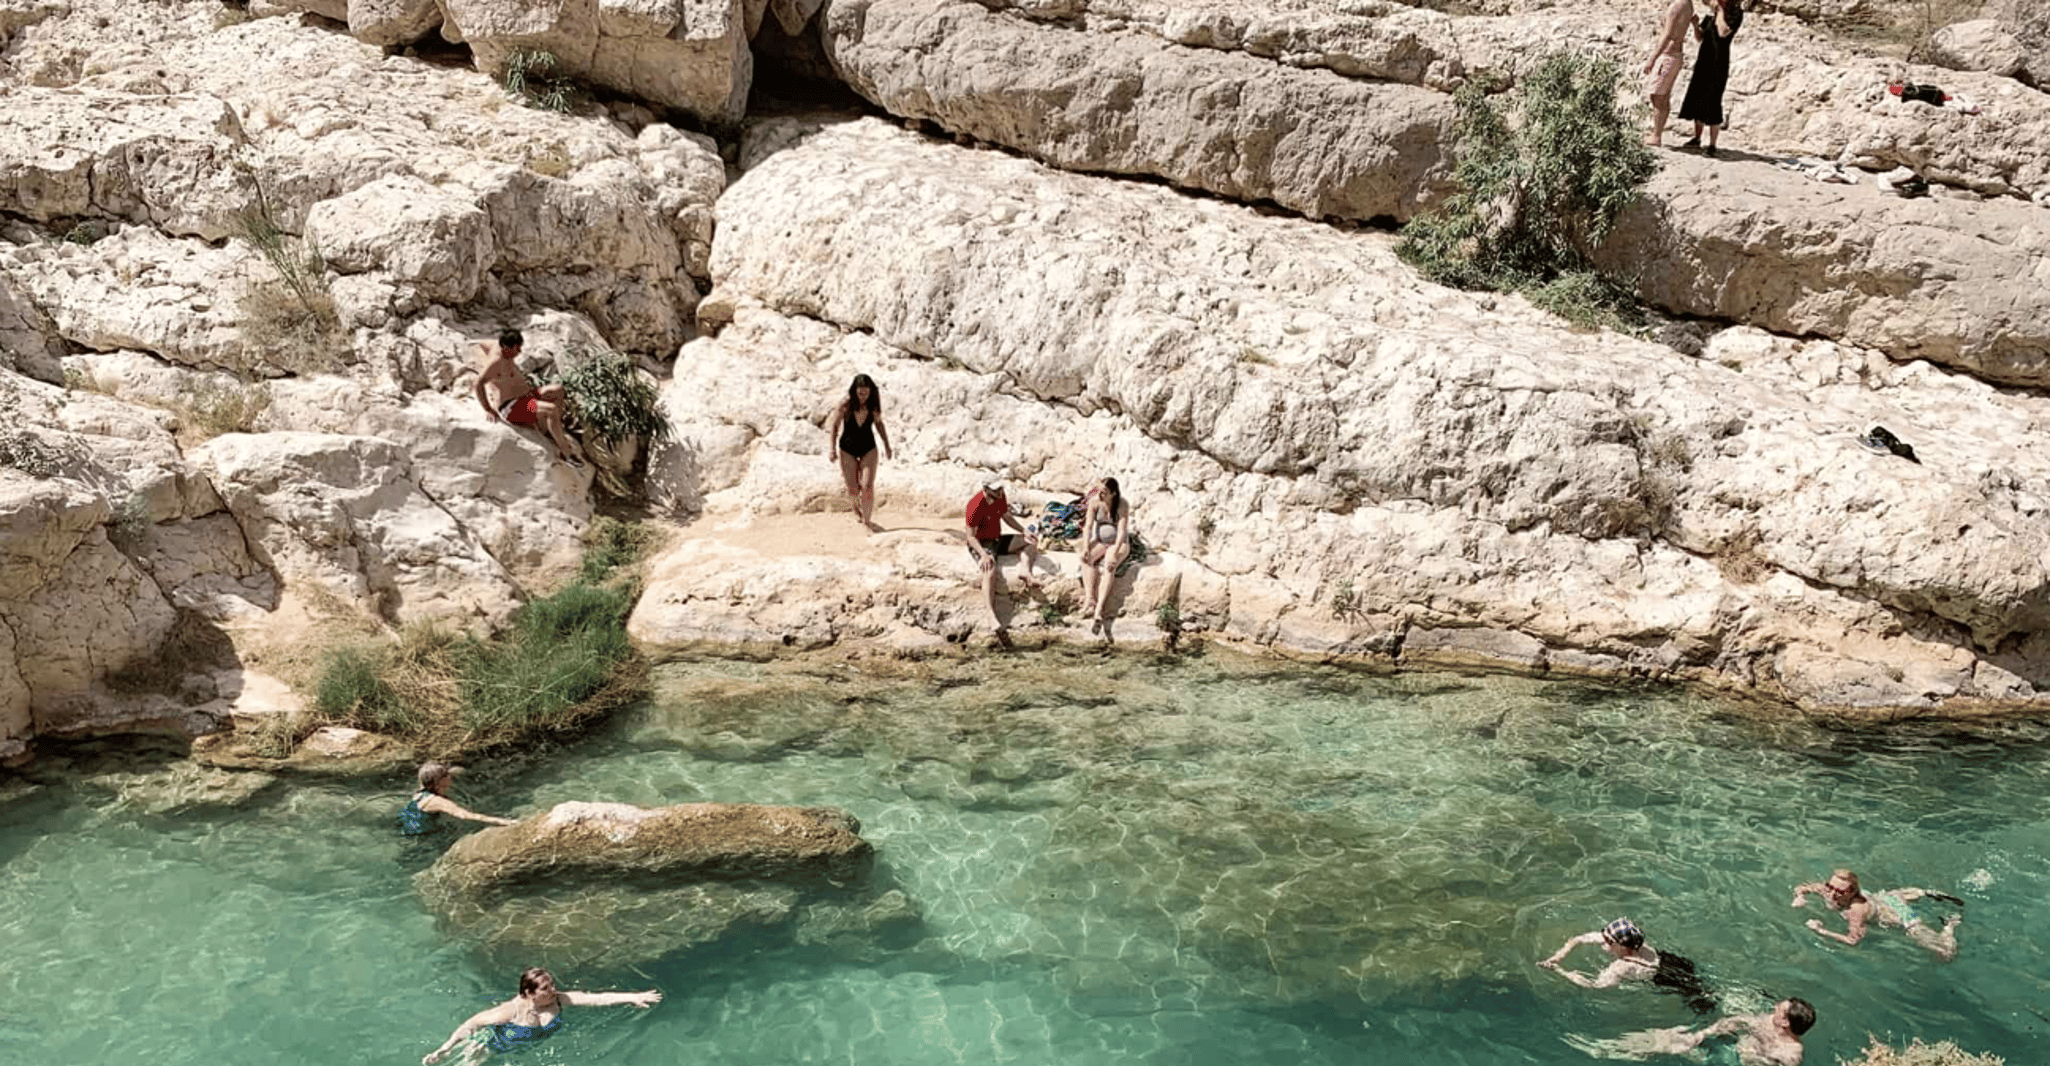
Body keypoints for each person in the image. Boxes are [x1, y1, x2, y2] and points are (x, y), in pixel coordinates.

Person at [422, 966, 661, 1065]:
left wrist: (633, 996)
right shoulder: (510, 1010)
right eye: (546, 989)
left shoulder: (559, 999)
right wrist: (445, 1048)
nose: (553, 990)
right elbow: (472, 1023)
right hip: (495, 1045)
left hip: (526, 1047)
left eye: (553, 985)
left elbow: (596, 998)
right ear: (530, 993)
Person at [1538, 918, 1717, 1013]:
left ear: (1622, 947)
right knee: (1706, 986)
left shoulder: (1621, 967)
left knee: (1703, 1001)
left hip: (1665, 978)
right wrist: (1558, 956)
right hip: (1673, 961)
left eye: (1608, 941)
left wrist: (1561, 972)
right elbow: (1579, 938)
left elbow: (1596, 987)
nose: (1603, 942)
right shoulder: (1634, 943)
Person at [1575, 999, 1815, 1065]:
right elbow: (1738, 1021)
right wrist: (1702, 1034)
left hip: (1733, 1062)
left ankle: (1608, 1052)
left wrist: (1755, 1054)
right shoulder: (1767, 1020)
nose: (1773, 1008)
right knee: (1675, 1040)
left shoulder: (1791, 1053)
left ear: (1785, 1023)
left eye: (1779, 1009)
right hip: (1729, 1046)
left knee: (1679, 1050)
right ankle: (1614, 1049)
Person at [472, 328, 585, 468]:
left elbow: (480, 343)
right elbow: (478, 384)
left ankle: (549, 429)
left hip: (528, 397)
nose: (519, 352)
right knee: (551, 409)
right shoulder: (496, 364)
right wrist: (487, 409)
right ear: (507, 348)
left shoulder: (496, 345)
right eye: (516, 349)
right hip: (514, 406)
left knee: (557, 390)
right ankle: (567, 453)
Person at [1792, 868, 1963, 960]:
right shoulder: (1827, 889)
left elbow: (1853, 940)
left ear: (1852, 892)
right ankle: (1923, 893)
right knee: (1892, 896)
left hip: (1900, 915)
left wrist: (1821, 930)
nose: (1832, 893)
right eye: (1830, 887)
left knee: (1945, 953)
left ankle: (1950, 925)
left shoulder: (1856, 911)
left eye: (1840, 891)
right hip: (1885, 898)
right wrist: (1799, 897)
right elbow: (1802, 887)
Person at [964, 480, 1045, 634]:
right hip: (981, 543)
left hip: (996, 539)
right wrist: (983, 554)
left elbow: (1006, 516)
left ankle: (1025, 571)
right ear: (986, 489)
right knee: (990, 569)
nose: (1000, 491)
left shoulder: (1000, 497)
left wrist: (1023, 531)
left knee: (1030, 542)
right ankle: (990, 613)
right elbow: (970, 537)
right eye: (996, 489)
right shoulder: (975, 505)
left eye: (1000, 488)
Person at [823, 374, 892, 530]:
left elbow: (880, 425)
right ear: (854, 391)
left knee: (867, 485)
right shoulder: (845, 405)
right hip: (847, 449)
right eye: (860, 392)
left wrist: (887, 445)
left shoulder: (873, 405)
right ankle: (855, 507)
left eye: (866, 392)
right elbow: (834, 426)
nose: (863, 395)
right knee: (853, 489)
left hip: (868, 447)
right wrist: (832, 449)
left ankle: (867, 522)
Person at [1674, 0, 1743, 157]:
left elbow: (1723, 32)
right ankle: (1697, 138)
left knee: (1713, 101)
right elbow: (1700, 38)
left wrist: (1720, 11)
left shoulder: (1734, 15)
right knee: (1698, 97)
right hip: (1703, 61)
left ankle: (1712, 145)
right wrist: (1695, 25)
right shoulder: (1711, 17)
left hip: (1718, 64)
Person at [399, 762, 518, 836]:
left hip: (407, 826)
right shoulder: (437, 801)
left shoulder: (421, 791)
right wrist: (504, 822)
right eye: (446, 775)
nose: (450, 775)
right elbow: (465, 815)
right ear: (439, 782)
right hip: (421, 837)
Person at [1077, 476, 1131, 634]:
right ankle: (1090, 599)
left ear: (1113, 493)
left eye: (1104, 492)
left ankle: (1099, 610)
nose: (1100, 495)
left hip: (1118, 543)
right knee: (1086, 560)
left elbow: (1121, 531)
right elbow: (1087, 527)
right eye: (1099, 491)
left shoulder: (1122, 504)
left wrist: (1114, 551)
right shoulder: (1094, 503)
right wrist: (1086, 546)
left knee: (1109, 565)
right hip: (1101, 541)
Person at [1642, 0, 1694, 146]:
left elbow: (1667, 35)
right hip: (1675, 55)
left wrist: (1652, 58)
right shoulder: (1687, 4)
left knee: (1657, 95)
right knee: (1662, 95)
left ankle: (1656, 136)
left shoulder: (1677, 5)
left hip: (1668, 55)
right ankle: (1657, 133)